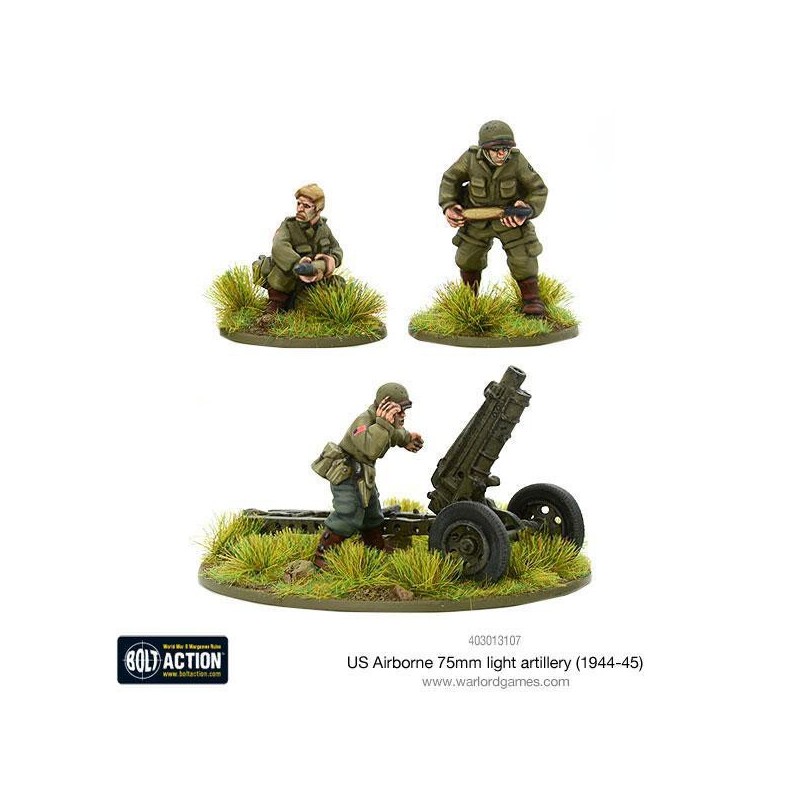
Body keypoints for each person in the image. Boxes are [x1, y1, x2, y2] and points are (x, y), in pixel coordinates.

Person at [438, 120, 548, 316]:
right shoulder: (470, 159)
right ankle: (469, 299)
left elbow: (538, 189)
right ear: (484, 149)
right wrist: (449, 205)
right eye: (496, 150)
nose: (502, 154)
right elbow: (450, 179)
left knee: (523, 256)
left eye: (505, 149)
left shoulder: (516, 161)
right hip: (476, 220)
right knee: (468, 258)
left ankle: (532, 300)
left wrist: (527, 209)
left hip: (510, 221)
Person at [312, 383, 424, 569]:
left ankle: (375, 548)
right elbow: (371, 449)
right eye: (399, 410)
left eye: (405, 410)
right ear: (385, 406)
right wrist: (383, 424)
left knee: (372, 515)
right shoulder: (363, 422)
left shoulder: (384, 423)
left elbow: (394, 434)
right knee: (347, 514)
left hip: (364, 476)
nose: (403, 415)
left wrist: (406, 439)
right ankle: (322, 555)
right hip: (347, 476)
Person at [254, 183, 343, 319]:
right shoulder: (288, 226)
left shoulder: (323, 229)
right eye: (298, 204)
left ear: (318, 209)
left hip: (313, 276)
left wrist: (328, 262)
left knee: (337, 283)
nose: (300, 209)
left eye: (306, 206)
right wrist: (298, 264)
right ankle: (274, 309)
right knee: (282, 274)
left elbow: (336, 249)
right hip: (291, 275)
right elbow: (279, 247)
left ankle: (309, 307)